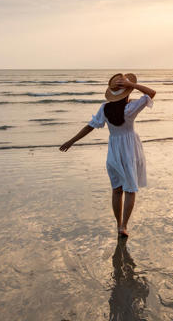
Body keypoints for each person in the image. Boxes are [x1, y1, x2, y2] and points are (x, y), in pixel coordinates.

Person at [60, 73, 156, 237]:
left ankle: (119, 224)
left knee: (117, 189)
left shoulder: (105, 108)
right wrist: (130, 84)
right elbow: (151, 93)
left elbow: (90, 126)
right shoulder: (130, 108)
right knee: (130, 190)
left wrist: (71, 141)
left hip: (114, 150)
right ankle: (123, 227)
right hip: (130, 148)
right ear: (127, 92)